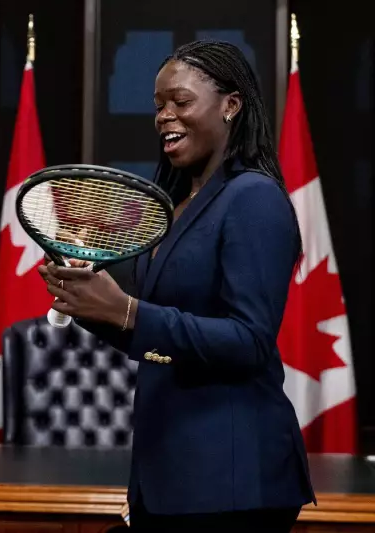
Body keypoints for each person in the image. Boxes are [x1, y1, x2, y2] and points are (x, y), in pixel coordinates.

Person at [39, 40, 316, 531]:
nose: (164, 115)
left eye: (181, 102)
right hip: (171, 477)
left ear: (231, 105)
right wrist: (90, 304)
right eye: (158, 105)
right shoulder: (175, 205)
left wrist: (127, 311)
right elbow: (153, 341)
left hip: (231, 483)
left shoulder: (253, 197)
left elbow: (249, 341)